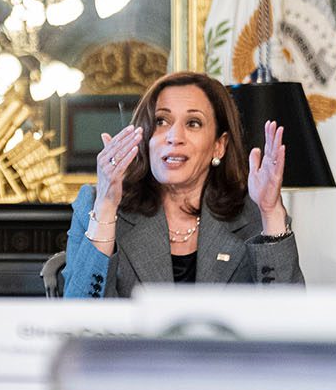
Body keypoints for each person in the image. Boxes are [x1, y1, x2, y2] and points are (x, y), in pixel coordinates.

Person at [63, 71, 303, 297]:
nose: (174, 137)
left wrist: (271, 213)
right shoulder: (95, 206)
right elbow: (77, 318)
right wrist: (106, 206)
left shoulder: (254, 215)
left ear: (219, 145)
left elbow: (288, 322)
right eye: (161, 121)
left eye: (193, 123)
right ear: (144, 136)